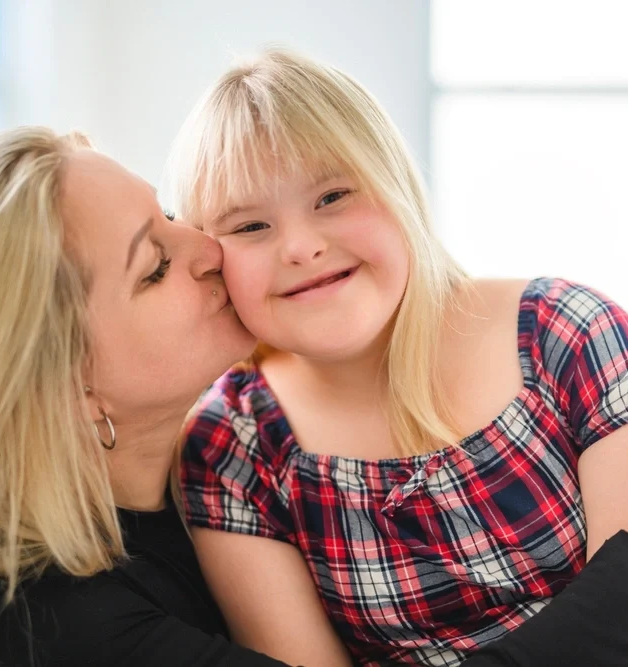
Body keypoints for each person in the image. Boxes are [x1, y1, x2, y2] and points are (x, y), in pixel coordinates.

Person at [171, 49, 628, 666]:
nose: (303, 247)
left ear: (397, 186)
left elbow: (618, 611)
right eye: (250, 227)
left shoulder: (566, 333)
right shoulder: (233, 444)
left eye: (332, 195)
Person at [0, 126, 300, 667]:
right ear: (68, 389)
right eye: (154, 268)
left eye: (170, 214)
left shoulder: (234, 458)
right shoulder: (52, 630)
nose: (210, 246)